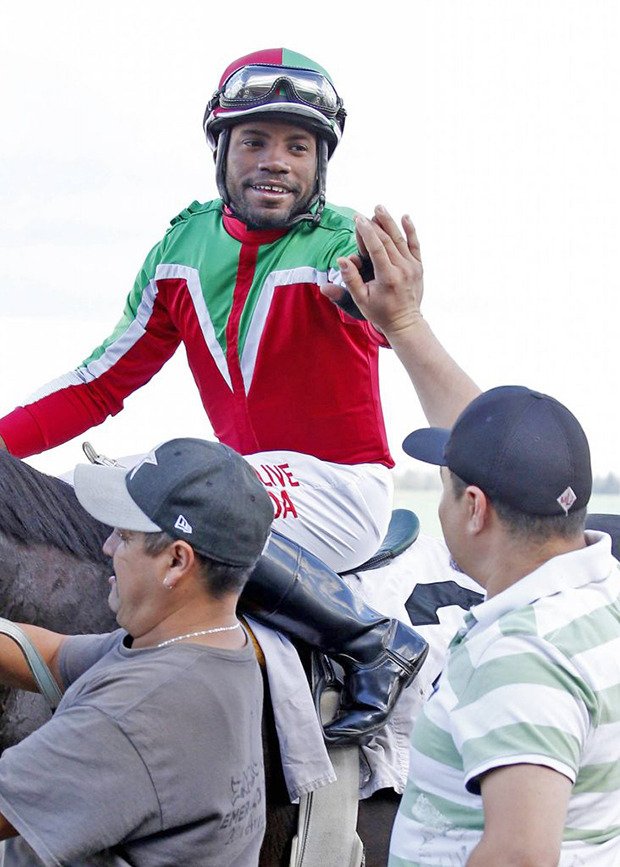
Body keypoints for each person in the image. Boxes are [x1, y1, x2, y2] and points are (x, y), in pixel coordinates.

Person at [0, 48, 479, 743]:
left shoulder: (339, 241)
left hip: (341, 491)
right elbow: (97, 384)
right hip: (242, 486)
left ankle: (377, 643)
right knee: (110, 482)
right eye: (253, 141)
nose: (275, 161)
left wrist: (371, 295)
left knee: (188, 484)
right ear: (221, 152)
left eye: (298, 146)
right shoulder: (182, 248)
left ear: (321, 165)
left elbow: (357, 295)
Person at [0, 436, 275, 865]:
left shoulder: (132, 712)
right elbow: (53, 656)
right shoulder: (211, 645)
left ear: (176, 562)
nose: (107, 547)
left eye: (123, 536)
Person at [386, 386, 620, 866]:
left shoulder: (521, 656)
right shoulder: (602, 593)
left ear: (474, 507)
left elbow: (521, 857)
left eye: (444, 488)